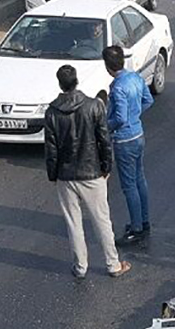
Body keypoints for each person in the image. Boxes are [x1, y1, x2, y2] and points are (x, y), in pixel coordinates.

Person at [43, 64, 131, 280]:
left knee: (74, 223)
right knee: (102, 219)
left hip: (66, 174)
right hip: (92, 172)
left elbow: (51, 149)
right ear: (76, 81)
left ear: (60, 84)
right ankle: (112, 264)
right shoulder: (94, 106)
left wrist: (53, 175)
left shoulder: (52, 112)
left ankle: (80, 266)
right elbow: (103, 140)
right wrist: (106, 167)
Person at [102, 45, 153, 246]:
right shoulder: (135, 78)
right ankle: (144, 220)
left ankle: (136, 227)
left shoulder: (117, 87)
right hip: (138, 134)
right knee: (140, 179)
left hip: (124, 140)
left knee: (129, 185)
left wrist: (107, 127)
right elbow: (148, 101)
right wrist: (136, 115)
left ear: (108, 66)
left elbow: (120, 118)